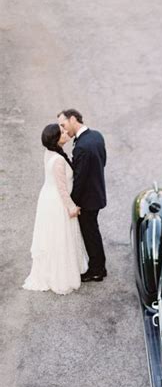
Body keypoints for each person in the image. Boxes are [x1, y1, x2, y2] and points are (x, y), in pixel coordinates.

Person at [23, 124, 88, 295]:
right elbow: (62, 189)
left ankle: (51, 270)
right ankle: (59, 276)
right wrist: (72, 207)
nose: (66, 132)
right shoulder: (58, 160)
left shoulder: (52, 153)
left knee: (52, 236)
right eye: (62, 133)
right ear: (56, 140)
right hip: (57, 201)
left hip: (48, 198)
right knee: (59, 236)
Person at [57, 109, 107, 282]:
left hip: (88, 199)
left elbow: (79, 179)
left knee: (90, 233)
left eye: (63, 125)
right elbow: (103, 161)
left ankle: (96, 270)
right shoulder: (97, 136)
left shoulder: (82, 147)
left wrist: (73, 203)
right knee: (93, 231)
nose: (63, 130)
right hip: (97, 193)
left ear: (73, 119)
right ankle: (100, 266)